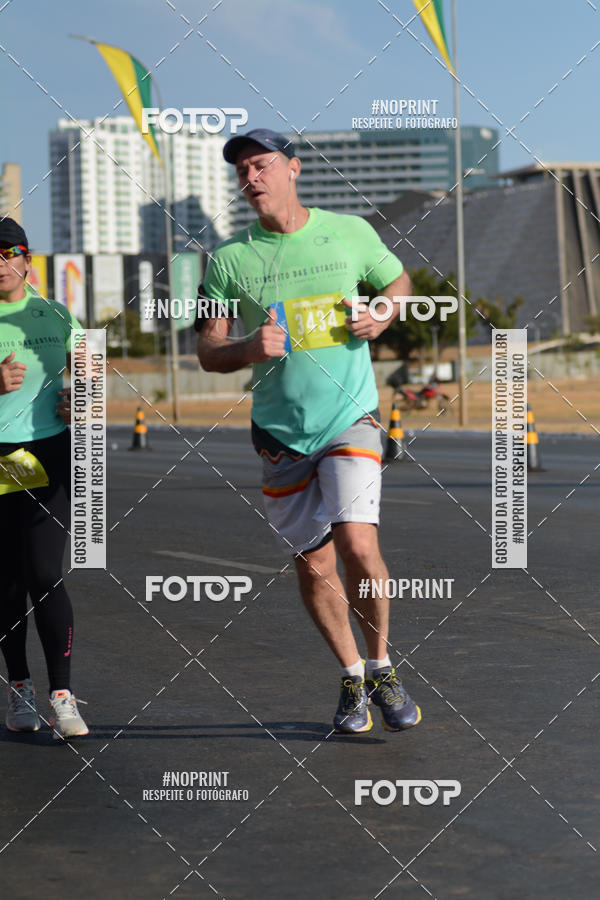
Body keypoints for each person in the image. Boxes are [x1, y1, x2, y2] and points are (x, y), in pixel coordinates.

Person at [196, 129, 421, 734]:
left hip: (351, 417)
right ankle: (351, 676)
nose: (251, 177)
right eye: (242, 170)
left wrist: (382, 314)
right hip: (279, 433)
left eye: (261, 164)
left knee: (358, 546)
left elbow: (399, 282)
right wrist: (247, 347)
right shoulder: (228, 261)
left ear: (293, 168)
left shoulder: (348, 232)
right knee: (314, 564)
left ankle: (382, 666)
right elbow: (208, 351)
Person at [0, 217, 88, 739]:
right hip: (2, 455)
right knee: (8, 579)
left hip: (49, 451)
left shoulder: (55, 313)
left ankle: (62, 695)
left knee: (45, 572)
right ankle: (20, 688)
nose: (0, 264)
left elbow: (92, 375)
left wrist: (82, 399)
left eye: (7, 253)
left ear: (27, 260)